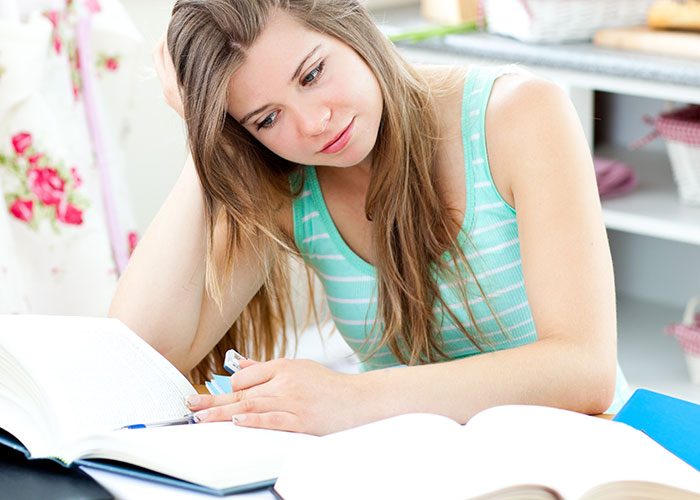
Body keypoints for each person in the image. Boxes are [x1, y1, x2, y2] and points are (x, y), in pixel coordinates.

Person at [109, 0, 630, 436]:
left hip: (578, 457)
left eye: (312, 74)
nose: (313, 124)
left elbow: (583, 369)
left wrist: (350, 397)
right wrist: (206, 143)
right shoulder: (288, 181)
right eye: (267, 117)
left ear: (351, 24)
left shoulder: (518, 114)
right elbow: (136, 356)